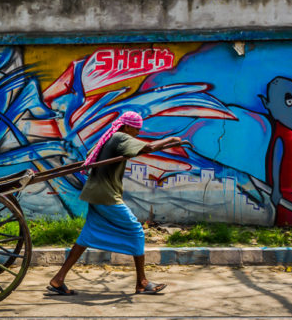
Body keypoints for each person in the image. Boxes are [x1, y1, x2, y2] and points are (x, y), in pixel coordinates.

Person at [47, 111, 189, 296]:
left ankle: (58, 279)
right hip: (105, 195)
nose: (138, 133)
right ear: (127, 127)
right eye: (136, 129)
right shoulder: (120, 137)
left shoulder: (111, 137)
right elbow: (148, 147)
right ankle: (142, 282)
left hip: (97, 193)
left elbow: (137, 149)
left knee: (85, 237)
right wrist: (171, 139)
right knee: (136, 230)